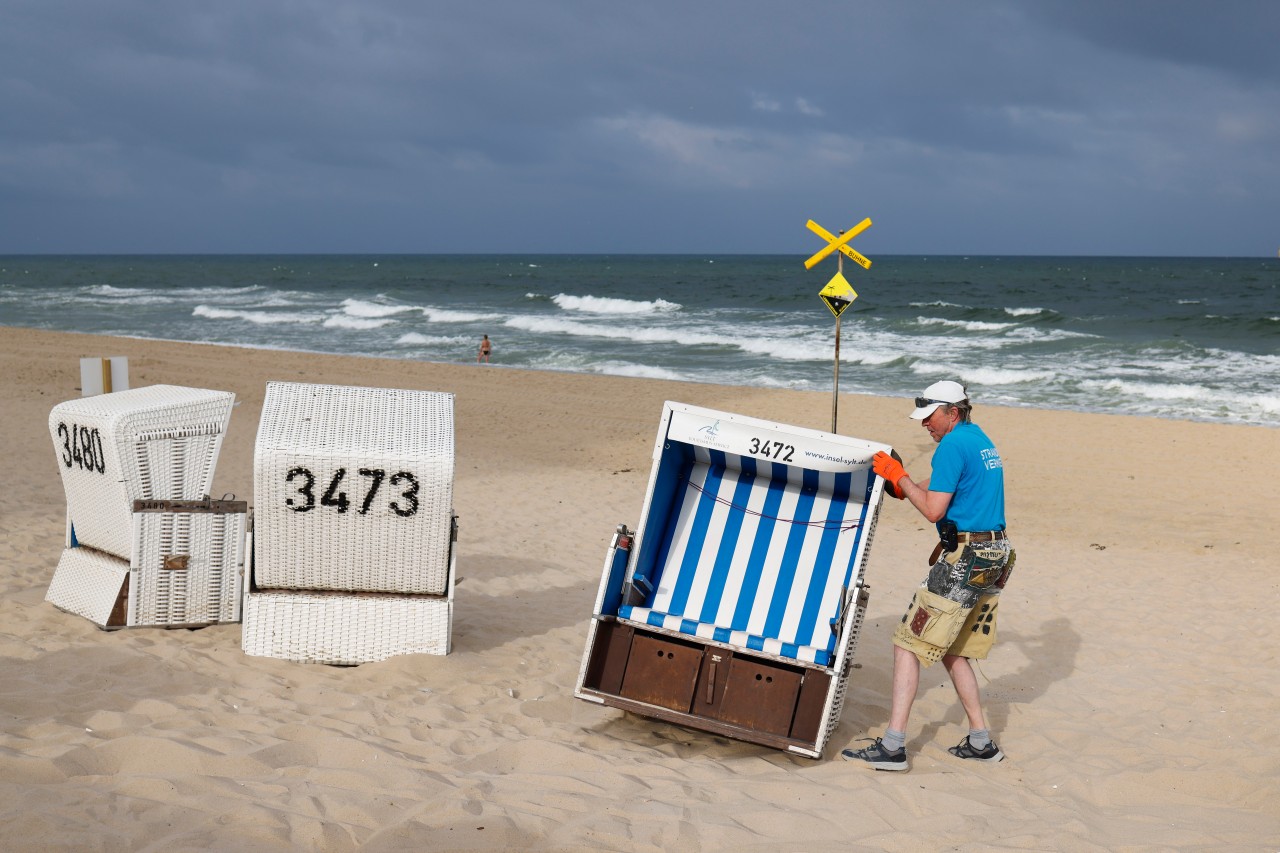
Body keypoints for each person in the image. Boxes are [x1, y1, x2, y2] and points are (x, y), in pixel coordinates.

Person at [842, 380, 1015, 772]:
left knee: (908, 642)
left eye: (930, 417)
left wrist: (899, 477)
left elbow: (935, 510)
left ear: (952, 412)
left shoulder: (952, 445)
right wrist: (904, 486)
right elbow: (944, 488)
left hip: (966, 557)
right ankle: (981, 742)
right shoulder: (977, 438)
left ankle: (892, 747)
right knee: (954, 649)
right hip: (997, 554)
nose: (925, 425)